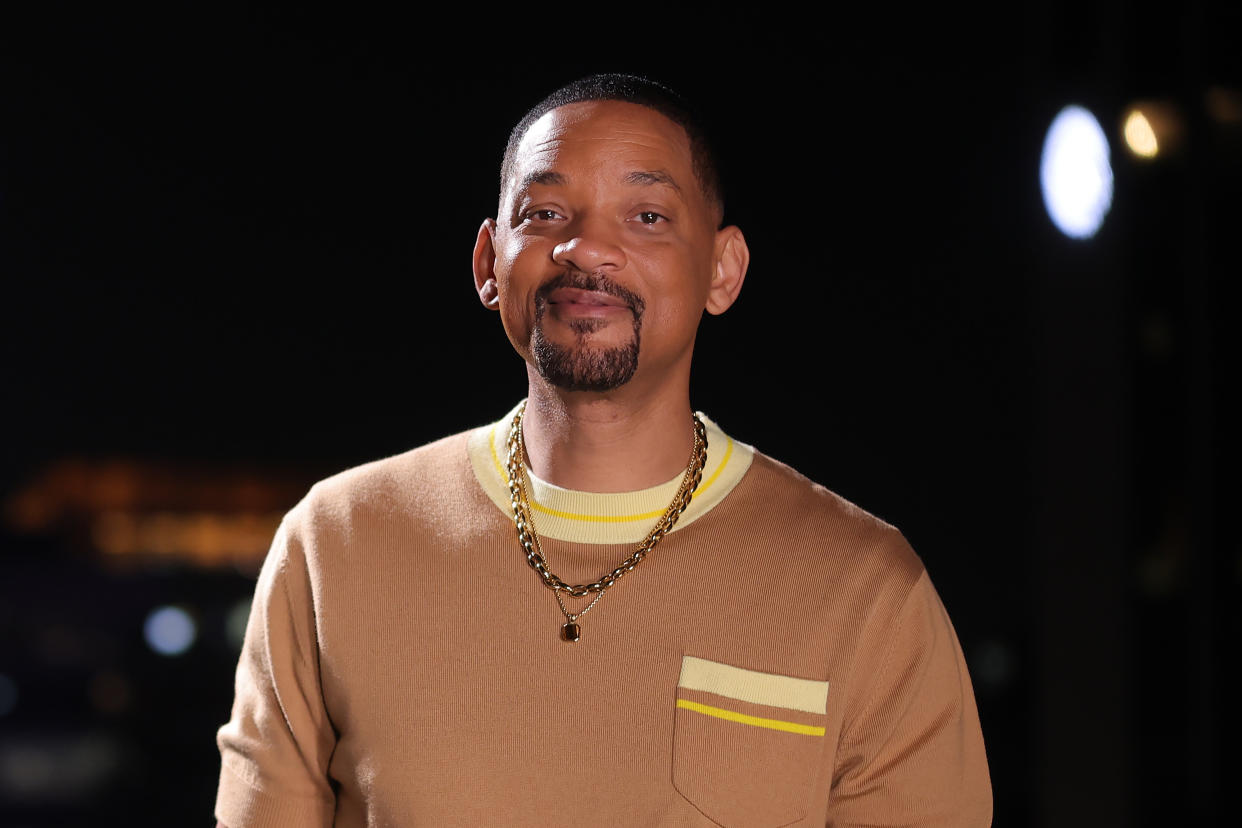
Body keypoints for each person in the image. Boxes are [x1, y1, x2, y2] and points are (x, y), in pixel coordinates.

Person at [214, 73, 992, 827]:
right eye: (546, 212)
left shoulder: (864, 592)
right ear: (490, 263)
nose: (587, 248)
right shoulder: (336, 544)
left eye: (647, 216)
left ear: (723, 271)